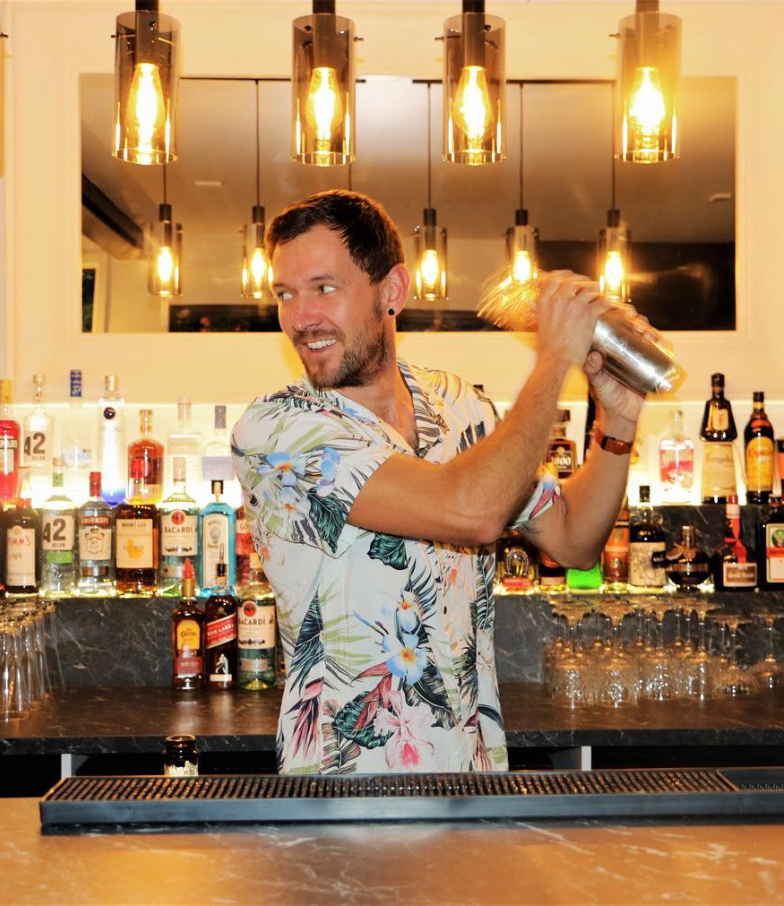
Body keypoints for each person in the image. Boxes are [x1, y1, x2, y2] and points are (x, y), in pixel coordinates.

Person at [233, 190, 654, 774]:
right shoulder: (278, 429)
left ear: (393, 292)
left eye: (323, 288)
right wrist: (555, 359)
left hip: (473, 776)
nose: (300, 318)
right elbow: (471, 510)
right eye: (285, 294)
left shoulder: (458, 406)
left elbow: (574, 540)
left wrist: (619, 421)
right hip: (345, 794)